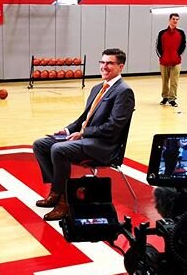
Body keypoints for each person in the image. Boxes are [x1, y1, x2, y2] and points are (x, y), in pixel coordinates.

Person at [33, 48, 135, 221]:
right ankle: (57, 192)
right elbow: (83, 118)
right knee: (41, 144)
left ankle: (64, 201)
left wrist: (83, 134)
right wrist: (66, 131)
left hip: (105, 146)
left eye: (110, 63)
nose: (104, 66)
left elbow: (113, 128)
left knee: (59, 150)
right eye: (102, 62)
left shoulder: (124, 91)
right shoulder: (98, 88)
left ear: (121, 66)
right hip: (88, 140)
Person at [156, 13, 186, 107]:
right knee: (164, 81)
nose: (175, 21)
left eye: (177, 19)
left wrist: (176, 56)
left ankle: (172, 99)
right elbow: (158, 47)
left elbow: (183, 46)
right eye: (173, 19)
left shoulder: (181, 33)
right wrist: (163, 57)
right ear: (169, 20)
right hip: (164, 62)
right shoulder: (162, 33)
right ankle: (165, 97)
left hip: (176, 62)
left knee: (174, 82)